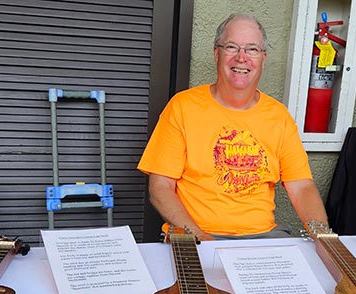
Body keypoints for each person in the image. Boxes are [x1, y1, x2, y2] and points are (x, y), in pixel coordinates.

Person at [138, 13, 328, 240]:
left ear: (263, 58)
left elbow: (301, 187)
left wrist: (323, 236)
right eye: (231, 47)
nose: (241, 57)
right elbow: (161, 188)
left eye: (252, 49)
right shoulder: (182, 107)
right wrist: (202, 239)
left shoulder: (279, 116)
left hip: (262, 237)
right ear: (216, 52)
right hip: (196, 235)